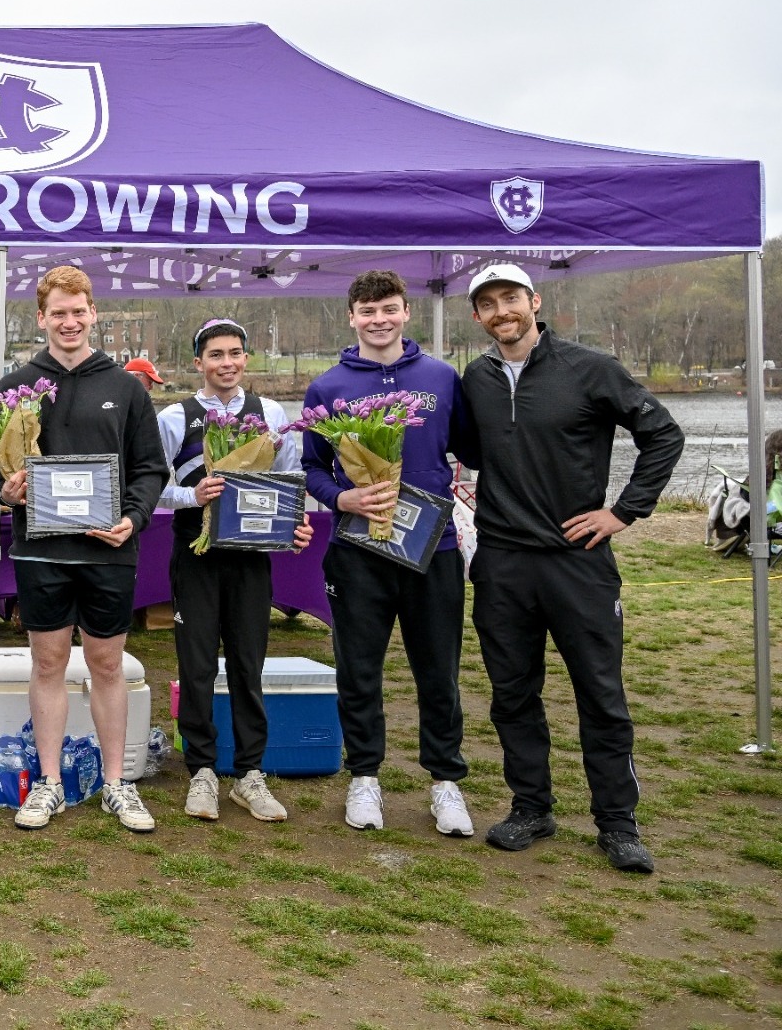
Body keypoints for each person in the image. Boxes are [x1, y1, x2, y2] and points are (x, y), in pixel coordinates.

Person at [461, 262, 683, 873]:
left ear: (534, 302)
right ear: (477, 317)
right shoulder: (474, 380)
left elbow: (663, 435)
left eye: (511, 298)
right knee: (512, 694)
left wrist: (622, 513)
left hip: (577, 560)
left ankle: (617, 823)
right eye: (489, 304)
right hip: (502, 562)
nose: (502, 311)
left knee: (600, 696)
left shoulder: (590, 369)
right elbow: (474, 449)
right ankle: (531, 807)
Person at [0, 265, 168, 832]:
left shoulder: (124, 387)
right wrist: (6, 487)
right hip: (42, 553)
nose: (69, 322)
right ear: (41, 318)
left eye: (79, 311)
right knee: (46, 663)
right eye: (57, 313)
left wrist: (133, 518)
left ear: (94, 314)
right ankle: (49, 783)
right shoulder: (14, 388)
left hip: (108, 551)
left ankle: (117, 783)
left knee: (107, 663)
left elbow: (150, 469)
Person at [302, 270, 476, 837]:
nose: (379, 320)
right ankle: (365, 778)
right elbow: (311, 466)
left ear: (406, 313)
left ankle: (446, 782)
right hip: (357, 550)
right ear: (351, 317)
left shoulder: (442, 378)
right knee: (358, 668)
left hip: (434, 548)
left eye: (389, 309)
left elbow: (472, 448)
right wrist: (340, 495)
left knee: (438, 670)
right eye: (367, 311)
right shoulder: (327, 387)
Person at [158, 318, 314, 825]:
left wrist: (295, 525)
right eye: (216, 354)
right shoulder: (176, 417)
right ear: (198, 362)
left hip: (250, 560)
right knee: (197, 667)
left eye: (235, 353)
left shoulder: (269, 412)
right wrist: (191, 495)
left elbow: (289, 479)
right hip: (196, 555)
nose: (226, 363)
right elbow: (150, 484)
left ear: (246, 358)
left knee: (249, 666)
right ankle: (201, 770)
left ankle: (250, 772)